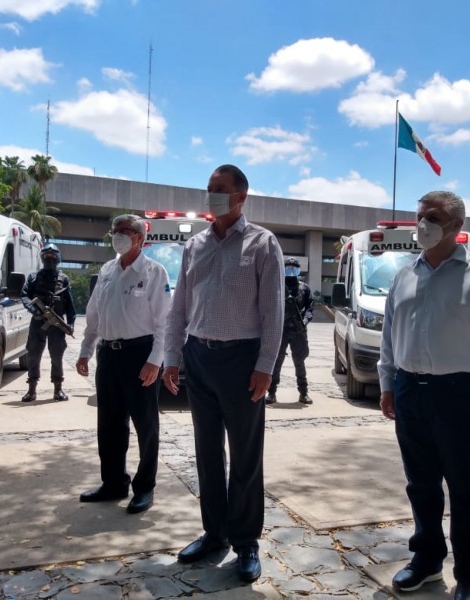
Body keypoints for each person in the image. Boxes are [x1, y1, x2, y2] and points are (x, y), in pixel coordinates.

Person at [377, 191, 470, 600]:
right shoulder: (405, 274)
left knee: (465, 486)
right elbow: (390, 336)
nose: (422, 223)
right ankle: (426, 561)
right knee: (420, 484)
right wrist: (387, 384)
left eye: (432, 217)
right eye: (420, 215)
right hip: (409, 390)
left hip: (460, 392)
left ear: (456, 226)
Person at [161, 164, 284, 583]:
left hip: (241, 362)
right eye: (209, 188)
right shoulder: (194, 245)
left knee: (245, 456)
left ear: (241, 196)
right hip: (199, 357)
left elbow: (273, 312)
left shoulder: (262, 243)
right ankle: (214, 533)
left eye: (221, 189)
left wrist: (265, 366)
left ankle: (246, 541)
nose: (212, 195)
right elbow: (180, 307)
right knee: (207, 452)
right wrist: (172, 356)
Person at [75, 215, 171, 515]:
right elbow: (94, 314)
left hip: (139, 354)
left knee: (146, 424)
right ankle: (113, 482)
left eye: (124, 232)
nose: (117, 236)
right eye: (114, 232)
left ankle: (144, 488)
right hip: (109, 353)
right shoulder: (106, 270)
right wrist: (86, 350)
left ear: (140, 238)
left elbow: (163, 323)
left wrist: (155, 361)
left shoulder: (154, 272)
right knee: (110, 423)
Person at [20, 243, 77, 402]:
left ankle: (58, 389)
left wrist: (71, 323)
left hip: (56, 324)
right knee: (33, 355)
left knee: (57, 356)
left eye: (52, 256)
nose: (50, 259)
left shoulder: (63, 279)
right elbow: (24, 295)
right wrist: (34, 309)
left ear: (57, 258)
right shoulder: (33, 277)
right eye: (47, 256)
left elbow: (70, 305)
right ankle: (31, 390)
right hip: (38, 322)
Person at [266, 257, 315, 405]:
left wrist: (305, 321)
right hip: (281, 331)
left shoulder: (304, 288)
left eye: (294, 268)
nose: (291, 271)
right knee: (276, 362)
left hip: (298, 331)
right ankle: (272, 393)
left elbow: (310, 308)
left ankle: (304, 393)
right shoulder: (278, 287)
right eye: (288, 268)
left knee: (299, 362)